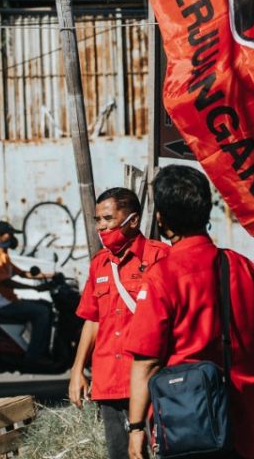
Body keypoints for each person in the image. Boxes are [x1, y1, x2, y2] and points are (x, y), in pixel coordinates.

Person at [124, 165, 254, 459]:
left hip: (186, 422)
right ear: (206, 213)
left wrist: (136, 429)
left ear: (161, 219)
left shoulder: (161, 276)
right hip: (241, 416)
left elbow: (146, 362)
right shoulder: (240, 266)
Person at [70, 187, 170, 459]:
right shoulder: (100, 264)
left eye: (108, 219)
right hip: (108, 380)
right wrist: (77, 370)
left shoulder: (159, 257)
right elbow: (92, 319)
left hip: (149, 381)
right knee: (120, 454)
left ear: (133, 220)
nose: (101, 227)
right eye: (97, 220)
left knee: (157, 451)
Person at [0, 220, 53, 365]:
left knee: (46, 306)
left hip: (11, 302)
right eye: (8, 235)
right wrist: (33, 288)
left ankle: (43, 349)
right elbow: (5, 282)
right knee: (42, 312)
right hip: (3, 306)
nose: (11, 239)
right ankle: (35, 355)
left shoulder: (4, 257)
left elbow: (23, 273)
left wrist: (51, 275)